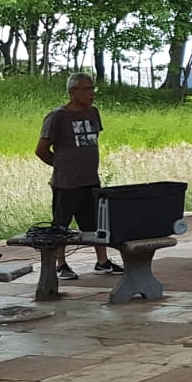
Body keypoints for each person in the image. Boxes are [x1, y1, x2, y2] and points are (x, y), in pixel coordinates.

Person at [35, 73, 122, 279]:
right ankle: (60, 264)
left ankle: (102, 261)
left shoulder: (93, 112)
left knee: (94, 223)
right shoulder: (57, 117)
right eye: (87, 89)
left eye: (93, 89)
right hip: (66, 183)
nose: (92, 94)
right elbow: (41, 150)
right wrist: (61, 166)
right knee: (61, 224)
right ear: (73, 92)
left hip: (90, 180)